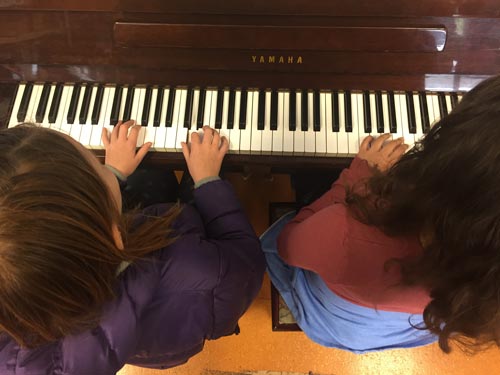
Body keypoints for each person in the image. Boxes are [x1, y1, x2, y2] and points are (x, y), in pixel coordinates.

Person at [0, 121, 265, 373]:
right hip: (191, 306)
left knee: (152, 172)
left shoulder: (20, 300)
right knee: (190, 177)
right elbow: (247, 259)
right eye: (101, 168)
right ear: (116, 234)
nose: (106, 166)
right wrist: (208, 181)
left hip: (134, 342)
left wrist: (115, 172)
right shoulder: (205, 274)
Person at [262, 74, 500, 354]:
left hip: (329, 316)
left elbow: (287, 246)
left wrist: (360, 172)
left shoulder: (345, 234)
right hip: (400, 327)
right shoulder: (486, 292)